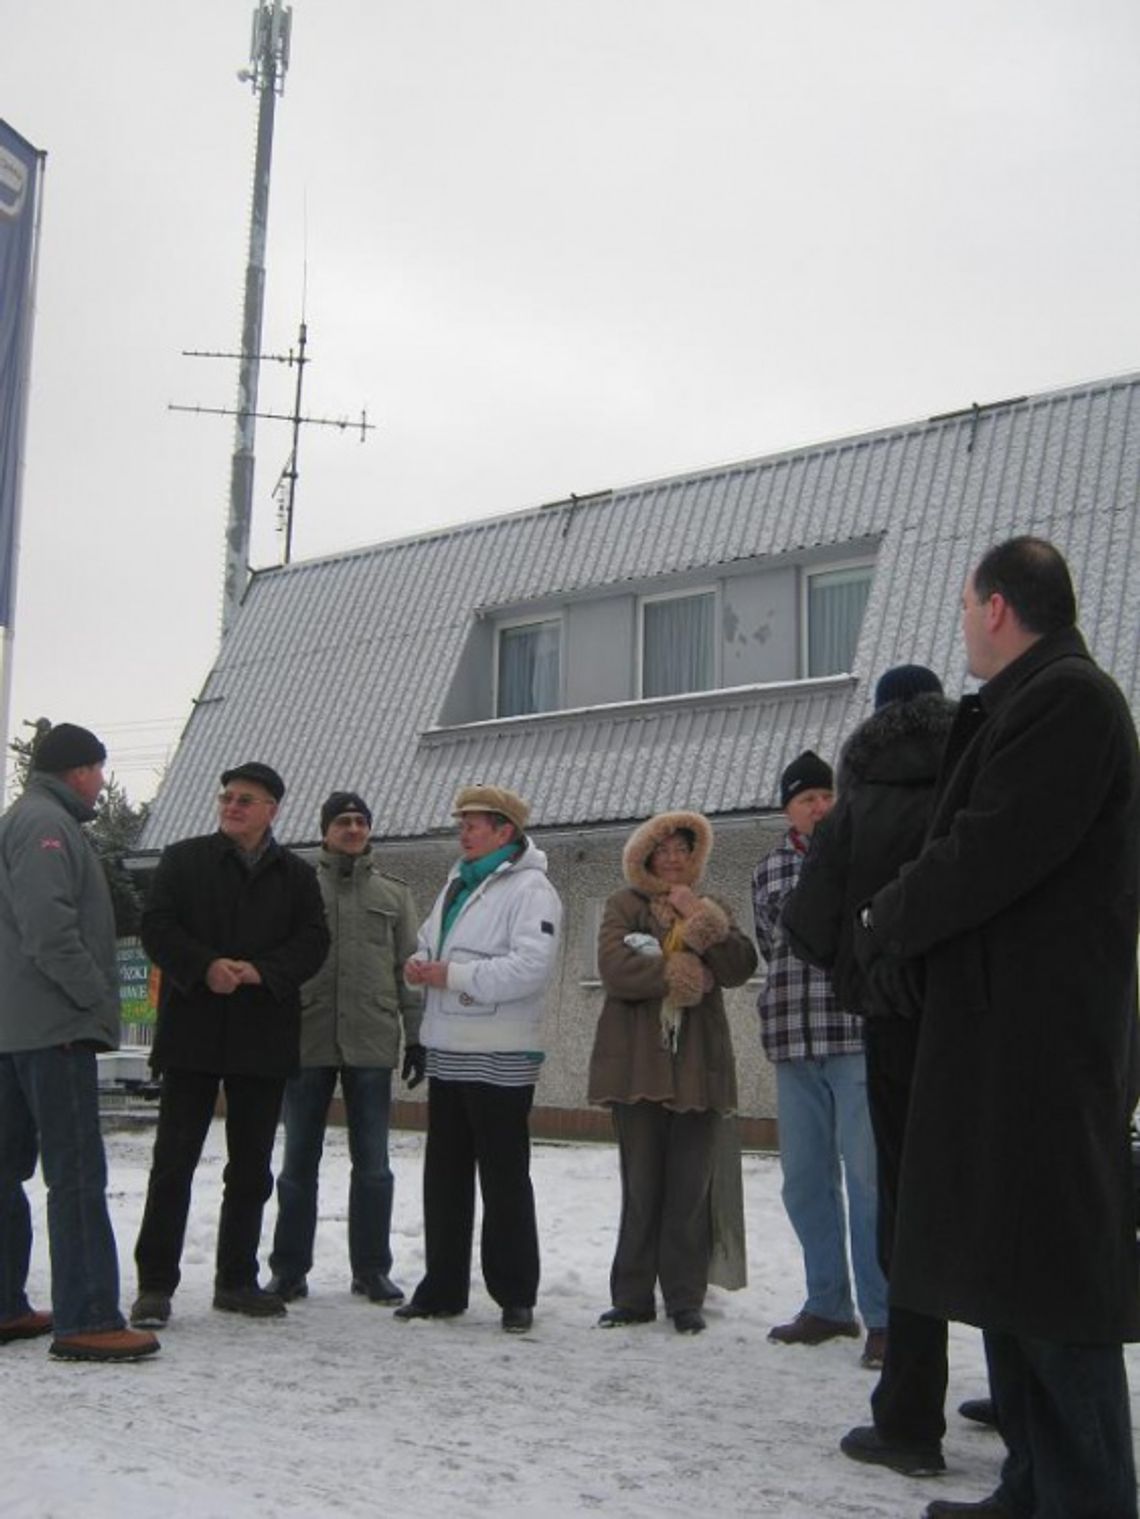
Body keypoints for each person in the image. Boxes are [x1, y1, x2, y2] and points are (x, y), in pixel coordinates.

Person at [856, 538, 1140, 1519]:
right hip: (1002, 1035)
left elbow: (989, 847)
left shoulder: (1071, 700)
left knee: (1056, 1286)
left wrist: (887, 914)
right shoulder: (1032, 701)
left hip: (1045, 1048)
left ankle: (1092, 1498)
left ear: (999, 609)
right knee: (1013, 1271)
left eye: (967, 602)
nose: (963, 620)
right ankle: (1033, 1487)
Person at [782, 666, 959, 1474]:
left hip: (891, 1024)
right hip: (984, 1024)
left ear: (881, 719)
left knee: (903, 1204)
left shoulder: (861, 804)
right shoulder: (980, 777)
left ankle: (911, 1415)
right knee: (996, 1198)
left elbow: (809, 926)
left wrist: (865, 951)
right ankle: (1026, 1400)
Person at [130, 761, 329, 1326]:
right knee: (173, 1163)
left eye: (246, 799)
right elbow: (157, 926)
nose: (232, 806)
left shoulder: (295, 875)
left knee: (250, 1168)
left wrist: (262, 972)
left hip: (261, 1035)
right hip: (192, 1031)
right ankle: (155, 1285)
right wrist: (205, 966)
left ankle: (236, 1279)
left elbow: (314, 941)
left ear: (272, 810)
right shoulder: (183, 859)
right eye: (227, 797)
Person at [0, 723, 159, 1362]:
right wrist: (94, 996)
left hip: (14, 1027)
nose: (101, 784)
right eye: (97, 771)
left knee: (6, 1170)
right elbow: (47, 928)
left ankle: (7, 1305)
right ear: (79, 771)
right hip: (53, 1025)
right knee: (76, 1174)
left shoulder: (24, 817)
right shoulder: (46, 826)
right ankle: (89, 1316)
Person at [396, 785, 561, 1334]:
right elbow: (429, 943)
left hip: (501, 1053)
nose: (462, 830)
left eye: (473, 823)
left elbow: (529, 969)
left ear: (504, 831)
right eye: (461, 822)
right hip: (447, 1048)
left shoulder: (533, 889)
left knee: (504, 1176)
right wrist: (419, 965)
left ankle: (516, 1293)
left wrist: (453, 976)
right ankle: (442, 1288)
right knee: (444, 1177)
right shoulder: (456, 883)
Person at [587, 809, 757, 1334]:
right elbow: (615, 969)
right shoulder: (622, 905)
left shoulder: (713, 907)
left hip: (696, 1069)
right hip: (637, 1067)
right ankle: (633, 1295)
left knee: (689, 1188)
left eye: (683, 851)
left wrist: (701, 921)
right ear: (644, 859)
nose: (674, 859)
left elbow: (739, 967)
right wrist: (678, 972)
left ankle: (685, 1298)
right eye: (663, 852)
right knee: (642, 1186)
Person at [752, 750, 887, 1366]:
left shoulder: (868, 854)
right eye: (806, 798)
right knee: (805, 1182)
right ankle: (828, 1305)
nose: (819, 805)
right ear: (788, 810)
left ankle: (885, 1316)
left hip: (853, 1036)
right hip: (791, 1038)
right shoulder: (769, 868)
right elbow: (771, 943)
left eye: (827, 796)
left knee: (868, 1181)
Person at [268, 791, 423, 1305]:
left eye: (360, 821)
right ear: (325, 831)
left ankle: (372, 1270)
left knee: (374, 1165)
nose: (353, 829)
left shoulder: (395, 895)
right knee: (297, 1164)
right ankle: (289, 1270)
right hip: (307, 1039)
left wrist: (416, 1034)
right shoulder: (297, 889)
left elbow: (409, 970)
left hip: (371, 1040)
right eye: (343, 822)